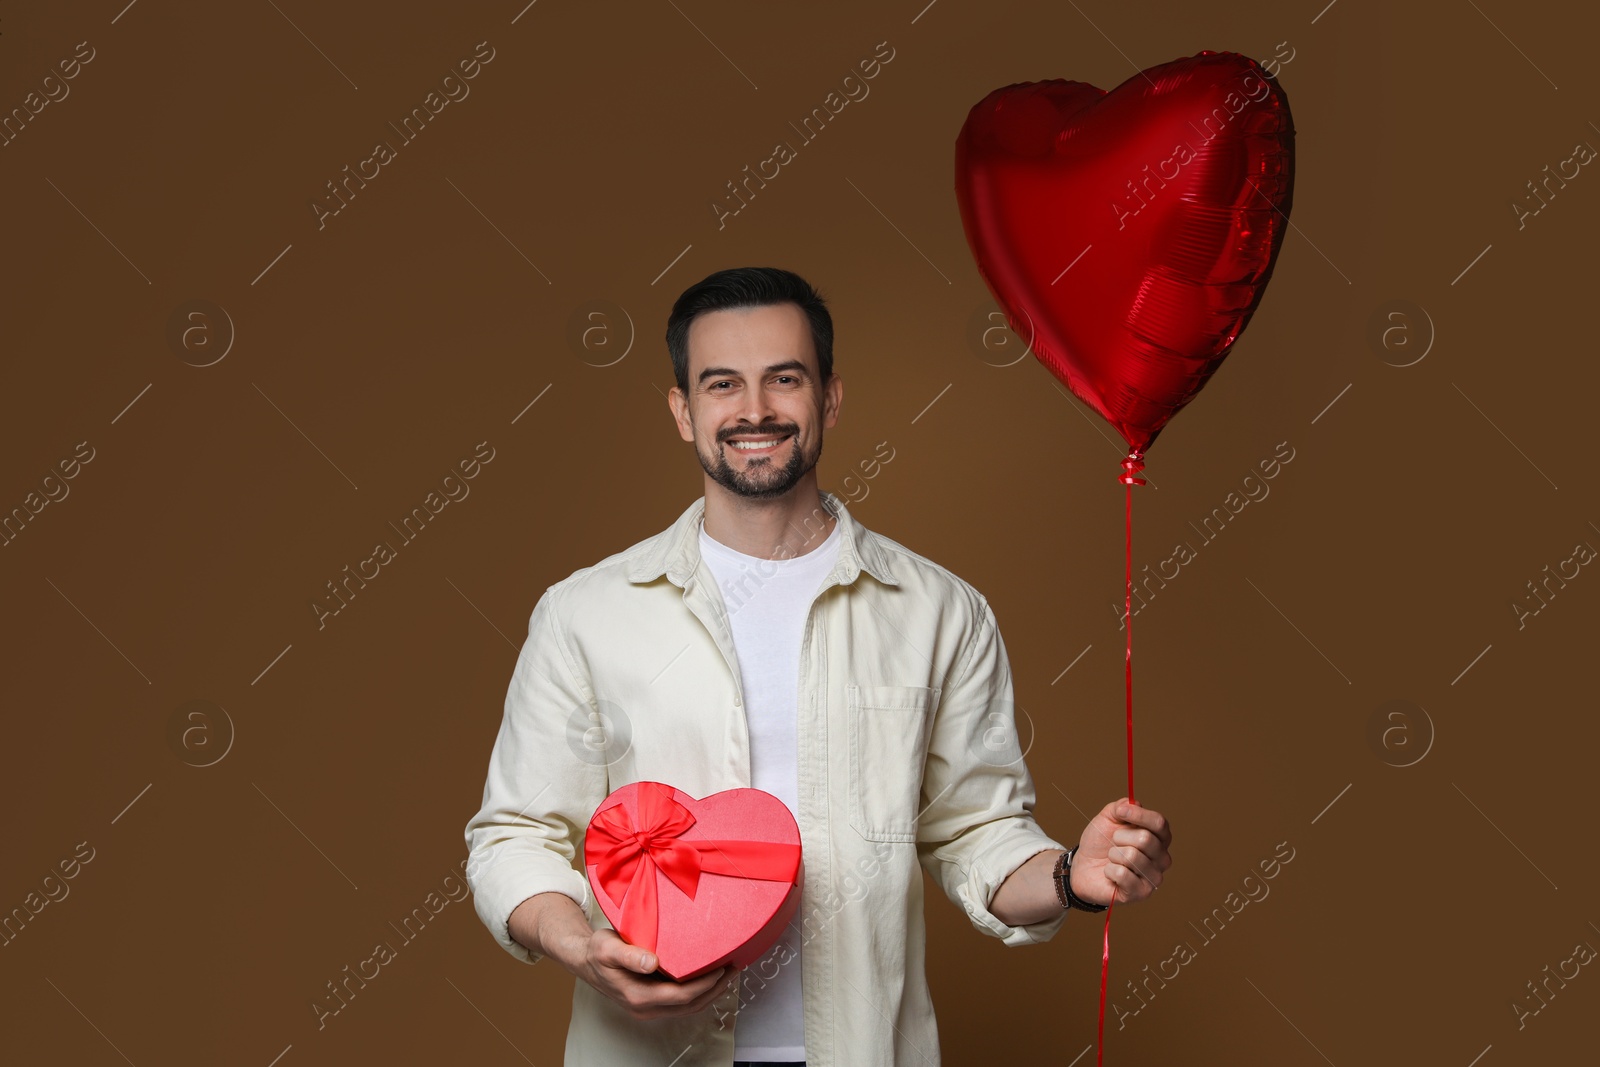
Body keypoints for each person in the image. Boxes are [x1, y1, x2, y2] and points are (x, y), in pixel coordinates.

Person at [463, 267, 1174, 1066]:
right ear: (682, 410)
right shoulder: (584, 613)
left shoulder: (940, 610)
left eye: (784, 379)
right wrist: (577, 943)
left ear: (830, 398)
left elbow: (978, 831)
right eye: (722, 383)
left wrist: (1076, 873)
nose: (754, 409)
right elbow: (513, 835)